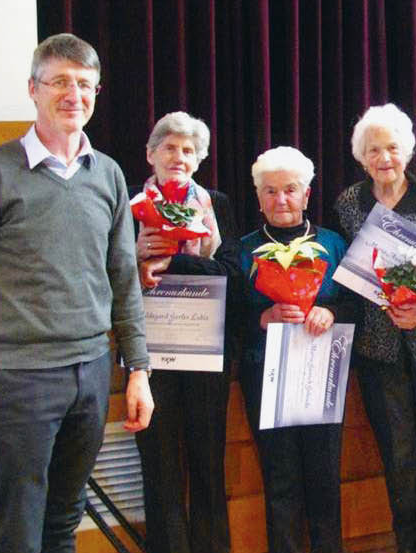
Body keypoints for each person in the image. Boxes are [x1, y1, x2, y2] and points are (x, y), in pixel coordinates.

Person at [0, 33, 153, 553]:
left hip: (91, 372)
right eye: (60, 82)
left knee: (61, 525)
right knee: (15, 532)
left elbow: (123, 277)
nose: (74, 94)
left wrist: (137, 369)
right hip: (16, 377)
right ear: (33, 89)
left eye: (85, 84)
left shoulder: (110, 175)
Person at [333, 104, 416, 553]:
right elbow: (345, 282)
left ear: (406, 151)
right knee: (399, 457)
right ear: (361, 156)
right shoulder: (348, 205)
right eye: (374, 150)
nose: (384, 157)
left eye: (392, 147)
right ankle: (406, 542)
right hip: (378, 352)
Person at [132, 111, 239, 553]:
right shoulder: (126, 205)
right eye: (170, 147)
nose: (179, 156)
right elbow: (100, 275)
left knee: (208, 462)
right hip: (149, 356)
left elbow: (233, 272)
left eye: (189, 149)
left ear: (200, 159)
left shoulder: (219, 204)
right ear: (151, 154)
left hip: (207, 350)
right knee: (158, 467)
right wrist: (133, 255)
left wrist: (175, 262)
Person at [238, 146, 350, 553]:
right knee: (279, 477)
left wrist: (331, 310)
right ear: (258, 197)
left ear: (307, 194)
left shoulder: (334, 244)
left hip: (323, 374)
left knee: (324, 475)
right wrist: (261, 318)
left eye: (290, 189)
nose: (280, 199)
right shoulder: (242, 249)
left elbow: (361, 304)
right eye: (270, 191)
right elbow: (228, 318)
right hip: (265, 376)